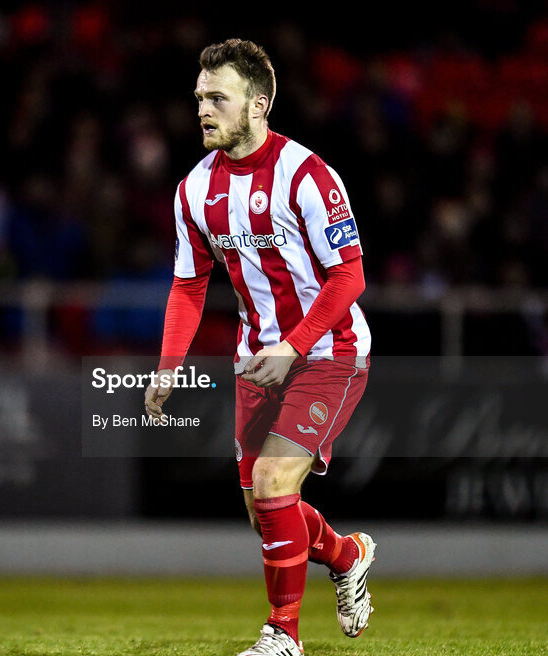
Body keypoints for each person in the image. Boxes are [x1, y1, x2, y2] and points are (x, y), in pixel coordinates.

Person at [144, 39, 375, 656]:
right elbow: (189, 284)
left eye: (218, 97)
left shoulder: (307, 174)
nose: (203, 109)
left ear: (259, 104)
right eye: (199, 98)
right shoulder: (194, 190)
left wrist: (294, 346)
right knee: (264, 510)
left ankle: (283, 638)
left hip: (330, 351)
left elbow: (348, 276)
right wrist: (169, 366)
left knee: (275, 482)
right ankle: (347, 555)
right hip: (256, 361)